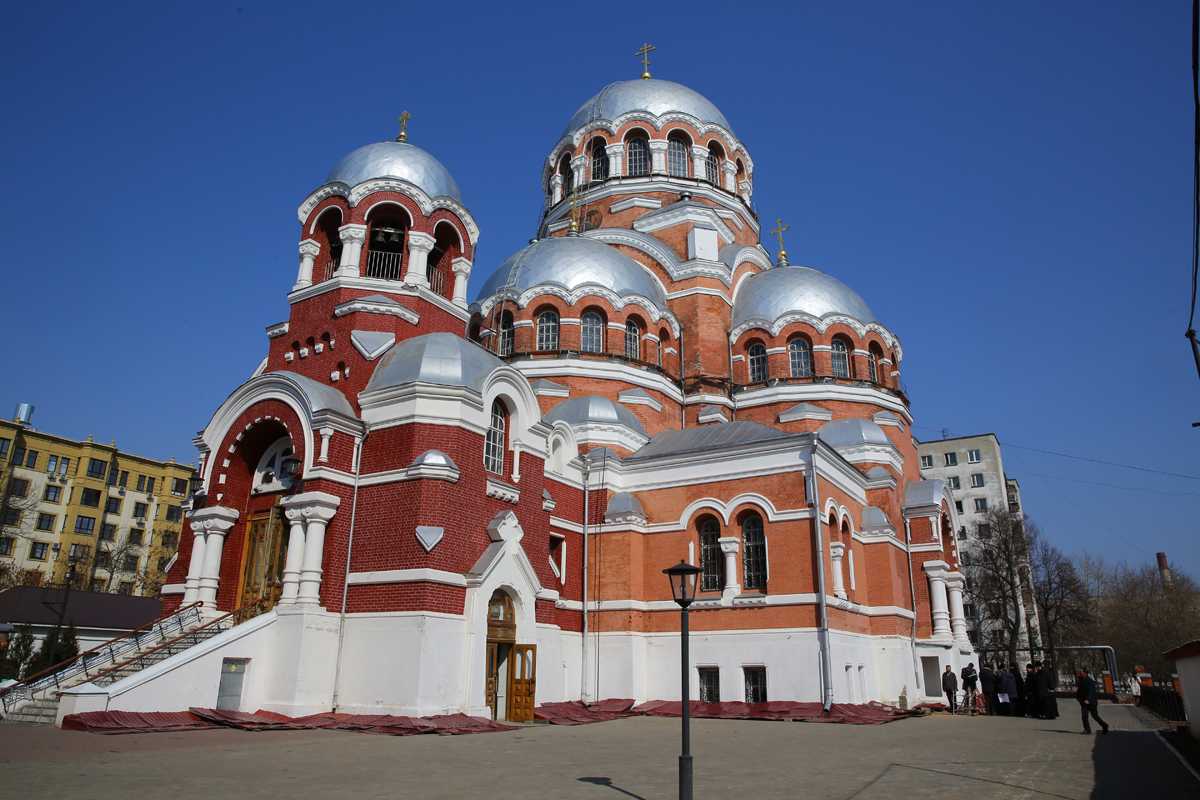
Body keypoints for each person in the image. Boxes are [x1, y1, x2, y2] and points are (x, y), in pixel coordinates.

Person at [1075, 668, 1109, 734]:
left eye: (1081, 672)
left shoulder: (1089, 681)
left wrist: (1088, 699)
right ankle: (1087, 730)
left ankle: (1105, 726)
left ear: (1085, 673)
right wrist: (1078, 697)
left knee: (1095, 716)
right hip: (1084, 702)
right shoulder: (1080, 680)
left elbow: (1091, 691)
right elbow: (1079, 690)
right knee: (1084, 716)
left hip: (1091, 702)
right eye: (1080, 672)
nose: (1080, 673)